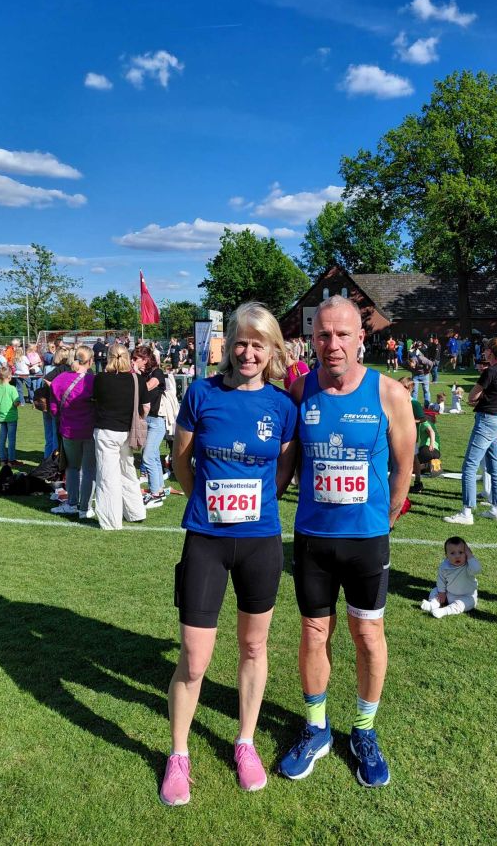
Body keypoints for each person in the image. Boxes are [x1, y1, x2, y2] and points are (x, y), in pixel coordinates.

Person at [161, 302, 297, 805]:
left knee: (253, 647)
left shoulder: (282, 406)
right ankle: (178, 754)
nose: (248, 352)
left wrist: (258, 504)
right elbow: (181, 460)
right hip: (206, 540)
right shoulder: (201, 393)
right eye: (240, 342)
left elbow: (284, 469)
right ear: (228, 346)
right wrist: (203, 501)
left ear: (272, 350)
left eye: (258, 344)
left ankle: (245, 742)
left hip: (260, 542)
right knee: (195, 658)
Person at [278, 296, 415, 789]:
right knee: (314, 633)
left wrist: (386, 519)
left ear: (361, 338)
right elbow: (284, 467)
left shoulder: (389, 393)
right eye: (323, 335)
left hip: (366, 541)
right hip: (313, 540)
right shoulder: (300, 390)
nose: (332, 344)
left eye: (342, 335)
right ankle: (316, 727)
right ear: (312, 339)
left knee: (367, 636)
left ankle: (363, 730)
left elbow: (403, 468)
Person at [443, 338, 497, 525]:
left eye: (486, 349)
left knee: (469, 466)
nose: (484, 352)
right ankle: (496, 509)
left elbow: (472, 396)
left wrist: (480, 398)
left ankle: (467, 512)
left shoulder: (490, 372)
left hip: (487, 421)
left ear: (491, 352)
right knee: (495, 466)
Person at [92, 344, 148, 531]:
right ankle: (135, 512)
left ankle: (111, 520)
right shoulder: (137, 379)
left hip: (107, 431)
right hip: (127, 432)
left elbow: (95, 400)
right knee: (127, 471)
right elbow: (145, 407)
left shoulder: (100, 379)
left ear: (108, 357)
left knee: (108, 477)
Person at [49, 346, 97, 519]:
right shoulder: (93, 381)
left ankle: (71, 503)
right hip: (89, 430)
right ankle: (85, 507)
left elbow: (53, 408)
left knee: (72, 468)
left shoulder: (60, 379)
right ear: (90, 361)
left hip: (69, 430)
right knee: (89, 470)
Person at [131, 345, 167, 509]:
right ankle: (159, 490)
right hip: (147, 420)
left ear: (145, 359)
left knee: (147, 457)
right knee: (154, 456)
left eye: (135, 359)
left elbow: (146, 388)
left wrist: (136, 375)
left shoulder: (157, 373)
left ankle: (155, 495)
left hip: (157, 421)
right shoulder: (143, 375)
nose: (133, 361)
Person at [420, 537, 481, 618]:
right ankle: (433, 604)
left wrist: (470, 554)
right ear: (446, 555)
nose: (457, 556)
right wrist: (442, 592)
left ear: (466, 553)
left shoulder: (469, 566)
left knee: (464, 604)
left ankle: (444, 611)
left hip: (466, 596)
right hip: (449, 594)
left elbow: (477, 569)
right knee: (435, 590)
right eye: (452, 553)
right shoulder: (444, 566)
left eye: (461, 552)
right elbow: (441, 580)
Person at [0, 366, 20, 466]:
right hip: (11, 417)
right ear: (9, 376)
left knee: (2, 439)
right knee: (11, 439)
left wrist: (1, 404)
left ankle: (3, 460)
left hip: (1, 418)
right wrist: (18, 402)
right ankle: (11, 460)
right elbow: (16, 402)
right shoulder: (12, 388)